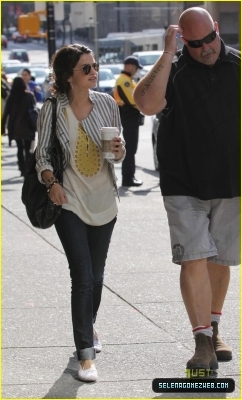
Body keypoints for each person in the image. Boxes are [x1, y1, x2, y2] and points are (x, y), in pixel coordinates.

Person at [134, 7, 240, 372]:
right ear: (184, 41)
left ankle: (213, 330)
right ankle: (201, 343)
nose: (206, 48)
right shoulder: (174, 68)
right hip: (184, 184)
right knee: (194, 256)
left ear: (217, 28)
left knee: (220, 260)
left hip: (231, 182)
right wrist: (167, 53)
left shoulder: (238, 66)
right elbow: (146, 103)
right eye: (195, 44)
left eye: (209, 39)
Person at [35, 44, 125, 382]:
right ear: (69, 74)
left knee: (97, 276)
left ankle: (89, 326)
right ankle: (85, 356)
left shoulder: (105, 103)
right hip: (69, 201)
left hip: (105, 201)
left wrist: (119, 150)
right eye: (86, 67)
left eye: (94, 66)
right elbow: (41, 153)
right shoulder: (53, 109)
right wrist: (51, 182)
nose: (93, 71)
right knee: (82, 276)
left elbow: (118, 152)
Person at [113, 56, 143, 187]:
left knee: (131, 147)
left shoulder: (128, 80)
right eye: (136, 68)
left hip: (130, 116)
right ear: (130, 66)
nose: (136, 71)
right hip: (128, 115)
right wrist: (144, 105)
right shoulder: (123, 81)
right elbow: (133, 100)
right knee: (130, 148)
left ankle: (130, 176)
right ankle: (128, 178)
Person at [2, 76, 36, 175]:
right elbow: (34, 111)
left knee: (20, 148)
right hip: (28, 126)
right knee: (27, 148)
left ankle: (21, 168)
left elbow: (6, 114)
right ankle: (27, 168)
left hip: (16, 128)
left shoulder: (11, 97)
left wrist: (3, 128)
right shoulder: (29, 95)